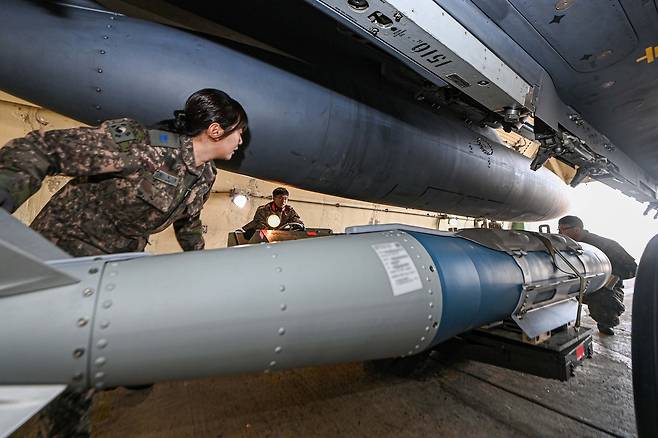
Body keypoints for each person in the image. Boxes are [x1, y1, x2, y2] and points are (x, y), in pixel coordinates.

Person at [0, 88, 247, 256]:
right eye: (239, 132)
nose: (240, 141)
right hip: (57, 252)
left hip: (112, 267)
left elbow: (188, 222)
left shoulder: (205, 175)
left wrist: (200, 260)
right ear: (215, 130)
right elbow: (44, 148)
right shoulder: (141, 145)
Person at [558, 215, 637, 335]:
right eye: (559, 230)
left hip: (604, 286)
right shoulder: (566, 244)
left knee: (602, 301)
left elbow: (631, 268)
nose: (559, 233)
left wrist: (608, 280)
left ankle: (606, 321)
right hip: (579, 282)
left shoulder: (605, 245)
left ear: (576, 230)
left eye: (563, 230)